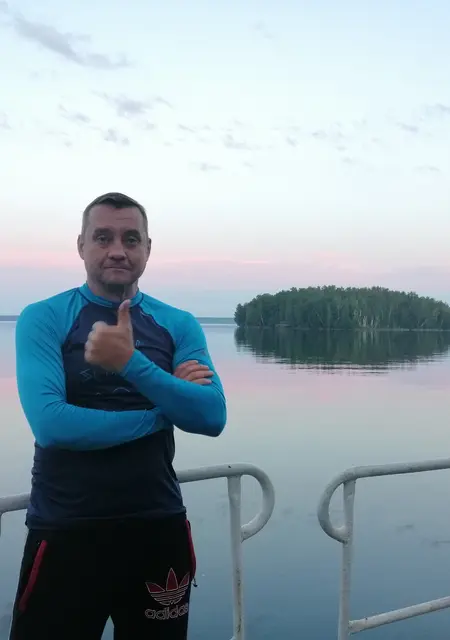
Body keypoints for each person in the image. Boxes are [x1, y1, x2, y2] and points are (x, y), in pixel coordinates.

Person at [10, 192, 227, 640]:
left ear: (147, 248)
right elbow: (52, 425)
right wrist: (165, 408)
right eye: (102, 237)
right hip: (66, 529)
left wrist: (129, 363)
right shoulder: (45, 318)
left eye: (130, 239)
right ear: (81, 246)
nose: (117, 250)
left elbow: (211, 416)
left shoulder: (177, 324)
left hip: (157, 527)